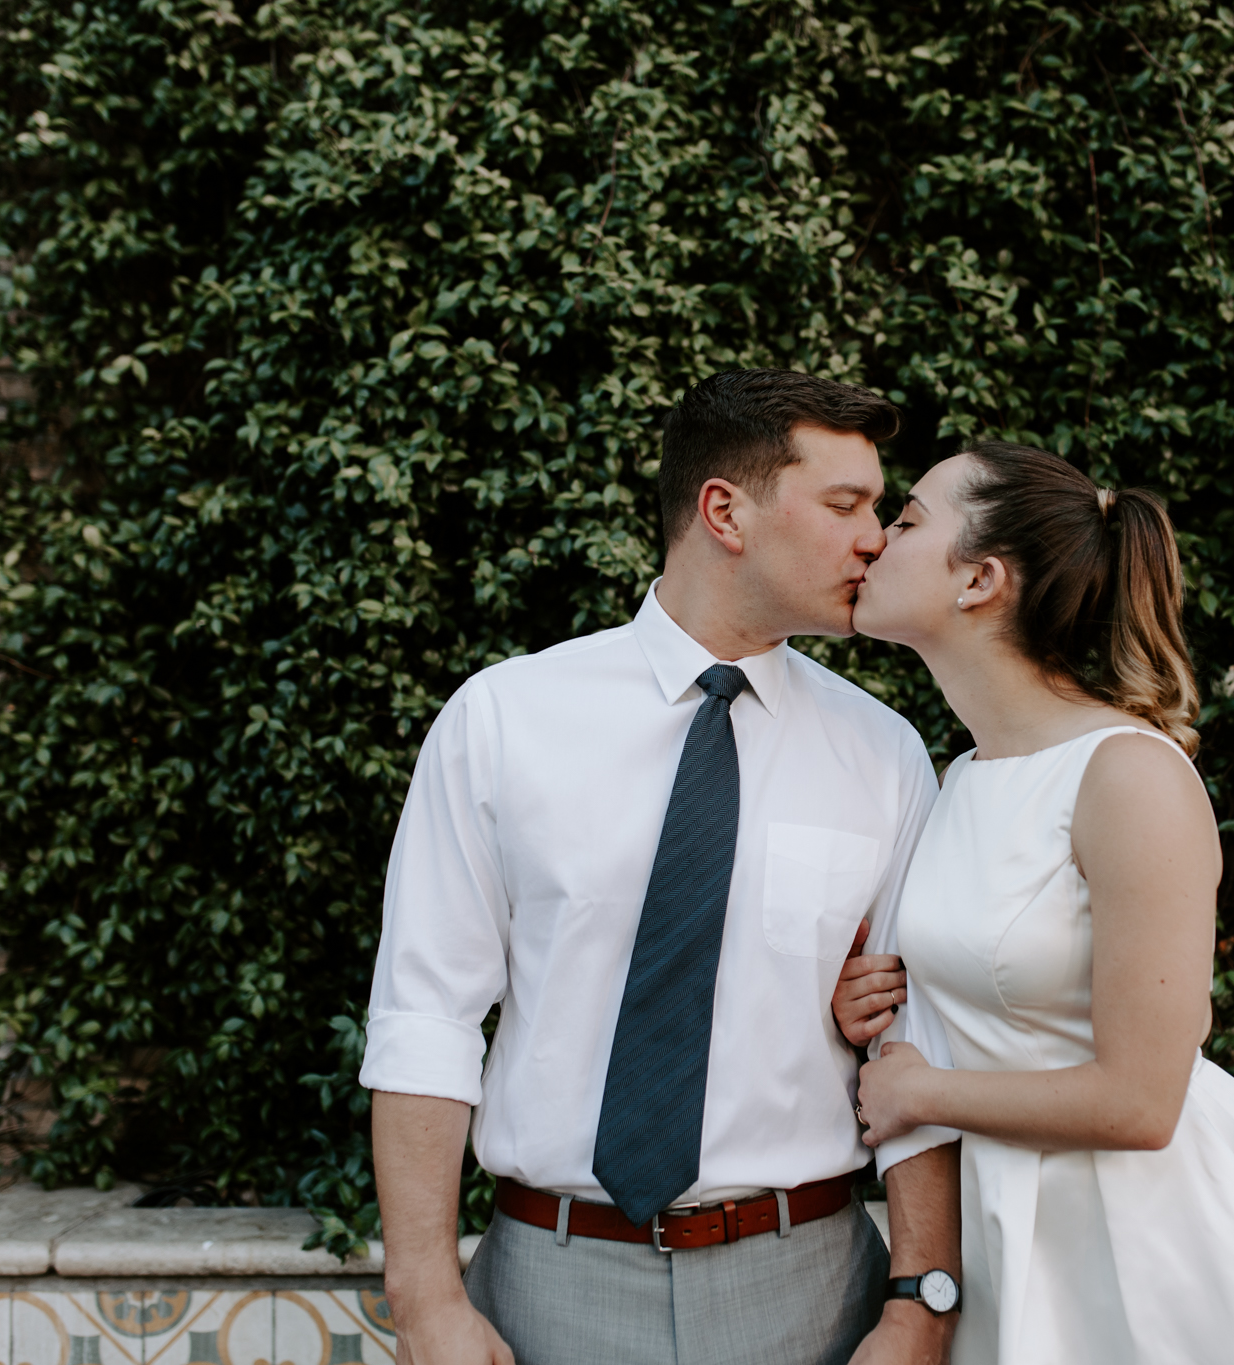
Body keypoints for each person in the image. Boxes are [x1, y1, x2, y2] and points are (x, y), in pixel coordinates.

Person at [361, 370, 966, 1365]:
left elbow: (914, 1043)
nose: (874, 537)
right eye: (845, 505)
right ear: (724, 511)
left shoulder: (883, 752)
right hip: (551, 1280)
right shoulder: (505, 720)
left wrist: (917, 1302)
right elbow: (424, 1015)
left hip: (810, 1277)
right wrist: (423, 1295)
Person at [833, 442, 1234, 1364]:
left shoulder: (1129, 776)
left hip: (1145, 1237)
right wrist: (878, 1000)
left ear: (981, 579)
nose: (872, 542)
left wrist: (922, 1090)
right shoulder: (964, 775)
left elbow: (1145, 1099)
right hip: (1006, 1226)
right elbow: (979, 991)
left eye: (904, 521)